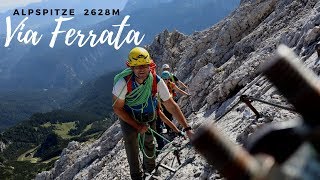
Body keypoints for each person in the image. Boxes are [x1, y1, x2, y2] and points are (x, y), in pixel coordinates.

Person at [112, 47, 193, 180]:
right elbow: (117, 108)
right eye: (137, 66)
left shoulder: (156, 80)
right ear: (131, 67)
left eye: (144, 65)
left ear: (150, 65)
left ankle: (151, 172)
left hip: (148, 115)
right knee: (131, 145)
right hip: (128, 116)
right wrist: (137, 126)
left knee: (149, 144)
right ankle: (136, 176)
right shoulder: (123, 83)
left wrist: (187, 129)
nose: (141, 69)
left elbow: (171, 105)